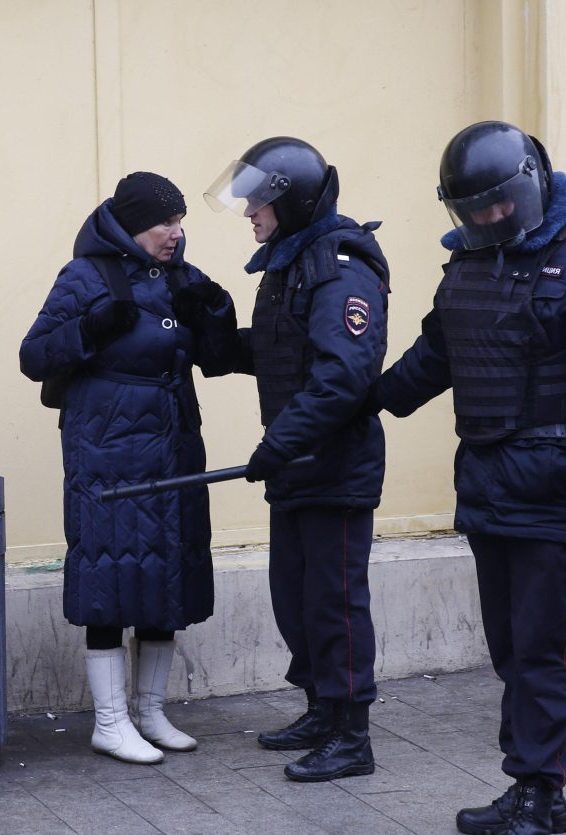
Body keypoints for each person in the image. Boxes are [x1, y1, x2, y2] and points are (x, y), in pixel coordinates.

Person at [371, 121, 566, 834]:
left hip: (559, 491)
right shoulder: (470, 265)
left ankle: (543, 793)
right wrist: (362, 407)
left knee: (543, 652)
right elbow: (436, 354)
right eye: (473, 210)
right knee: (513, 651)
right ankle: (527, 783)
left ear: (530, 186)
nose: (488, 219)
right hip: (486, 487)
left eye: (499, 206)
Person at [19, 172, 238, 764]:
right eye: (163, 222)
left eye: (180, 220)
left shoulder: (178, 278)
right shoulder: (86, 276)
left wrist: (214, 310)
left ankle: (150, 712)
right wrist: (89, 329)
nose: (175, 232)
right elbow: (34, 356)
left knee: (166, 569)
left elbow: (217, 359)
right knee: (109, 575)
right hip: (108, 448)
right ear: (130, 225)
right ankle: (110, 722)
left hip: (173, 441)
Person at [204, 136, 390, 782]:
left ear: (293, 200)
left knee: (336, 602)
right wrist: (219, 348)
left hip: (333, 469)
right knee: (296, 598)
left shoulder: (339, 267)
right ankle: (320, 708)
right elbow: (283, 346)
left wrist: (279, 442)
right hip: (296, 467)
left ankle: (353, 734)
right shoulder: (291, 261)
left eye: (258, 202)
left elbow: (342, 375)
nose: (250, 214)